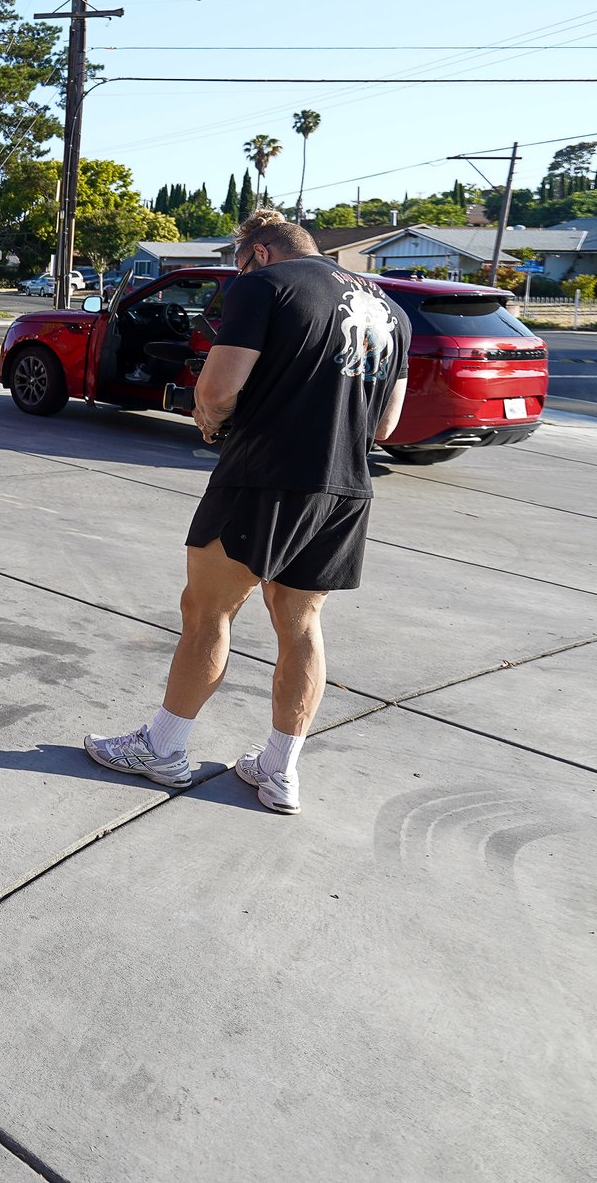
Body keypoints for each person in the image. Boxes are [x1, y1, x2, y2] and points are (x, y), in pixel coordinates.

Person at [84, 208, 411, 813]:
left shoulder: (263, 285)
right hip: (344, 488)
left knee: (207, 611)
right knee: (301, 624)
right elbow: (387, 424)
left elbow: (215, 389)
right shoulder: (388, 308)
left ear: (258, 253)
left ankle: (164, 747)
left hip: (262, 479)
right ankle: (279, 769)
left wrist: (212, 418)